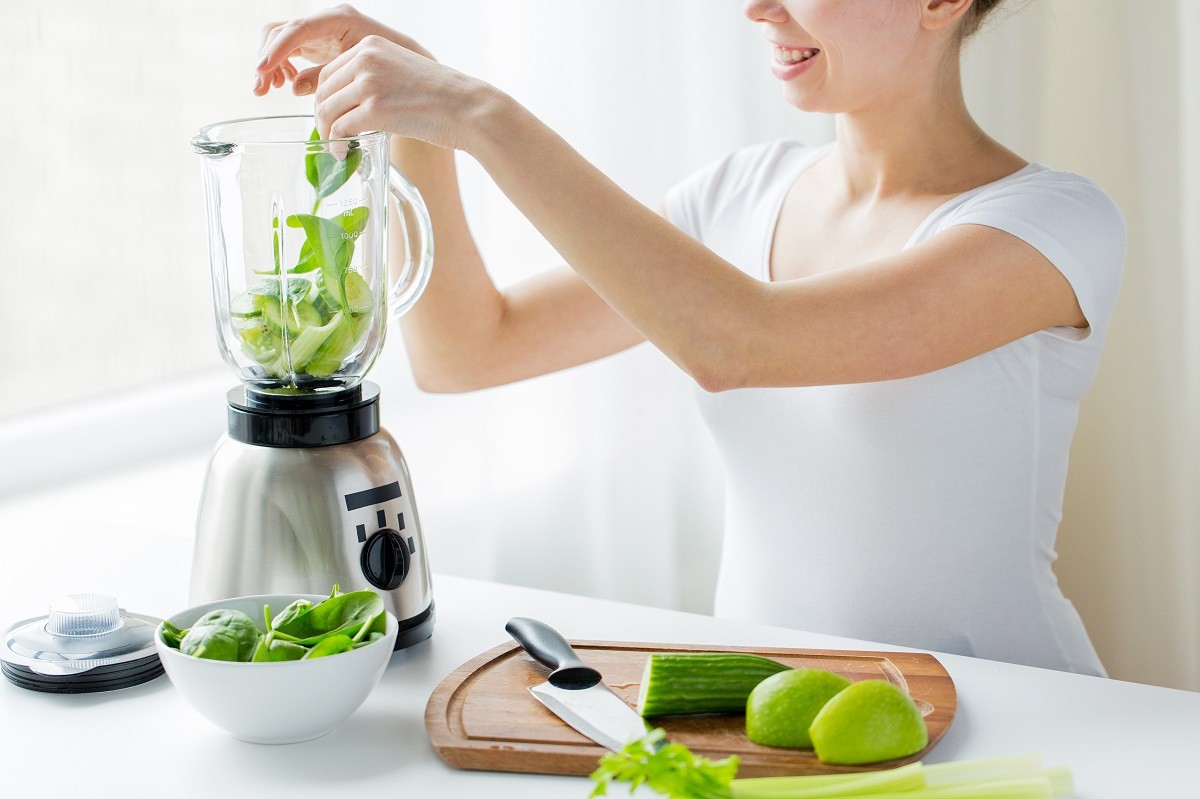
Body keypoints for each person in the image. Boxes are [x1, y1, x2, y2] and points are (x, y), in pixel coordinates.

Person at [254, 1, 1124, 676]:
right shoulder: (739, 195)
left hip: (1009, 710)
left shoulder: (1052, 224)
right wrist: (418, 118)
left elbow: (741, 343)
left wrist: (480, 112)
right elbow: (467, 348)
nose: (758, 8)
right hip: (765, 713)